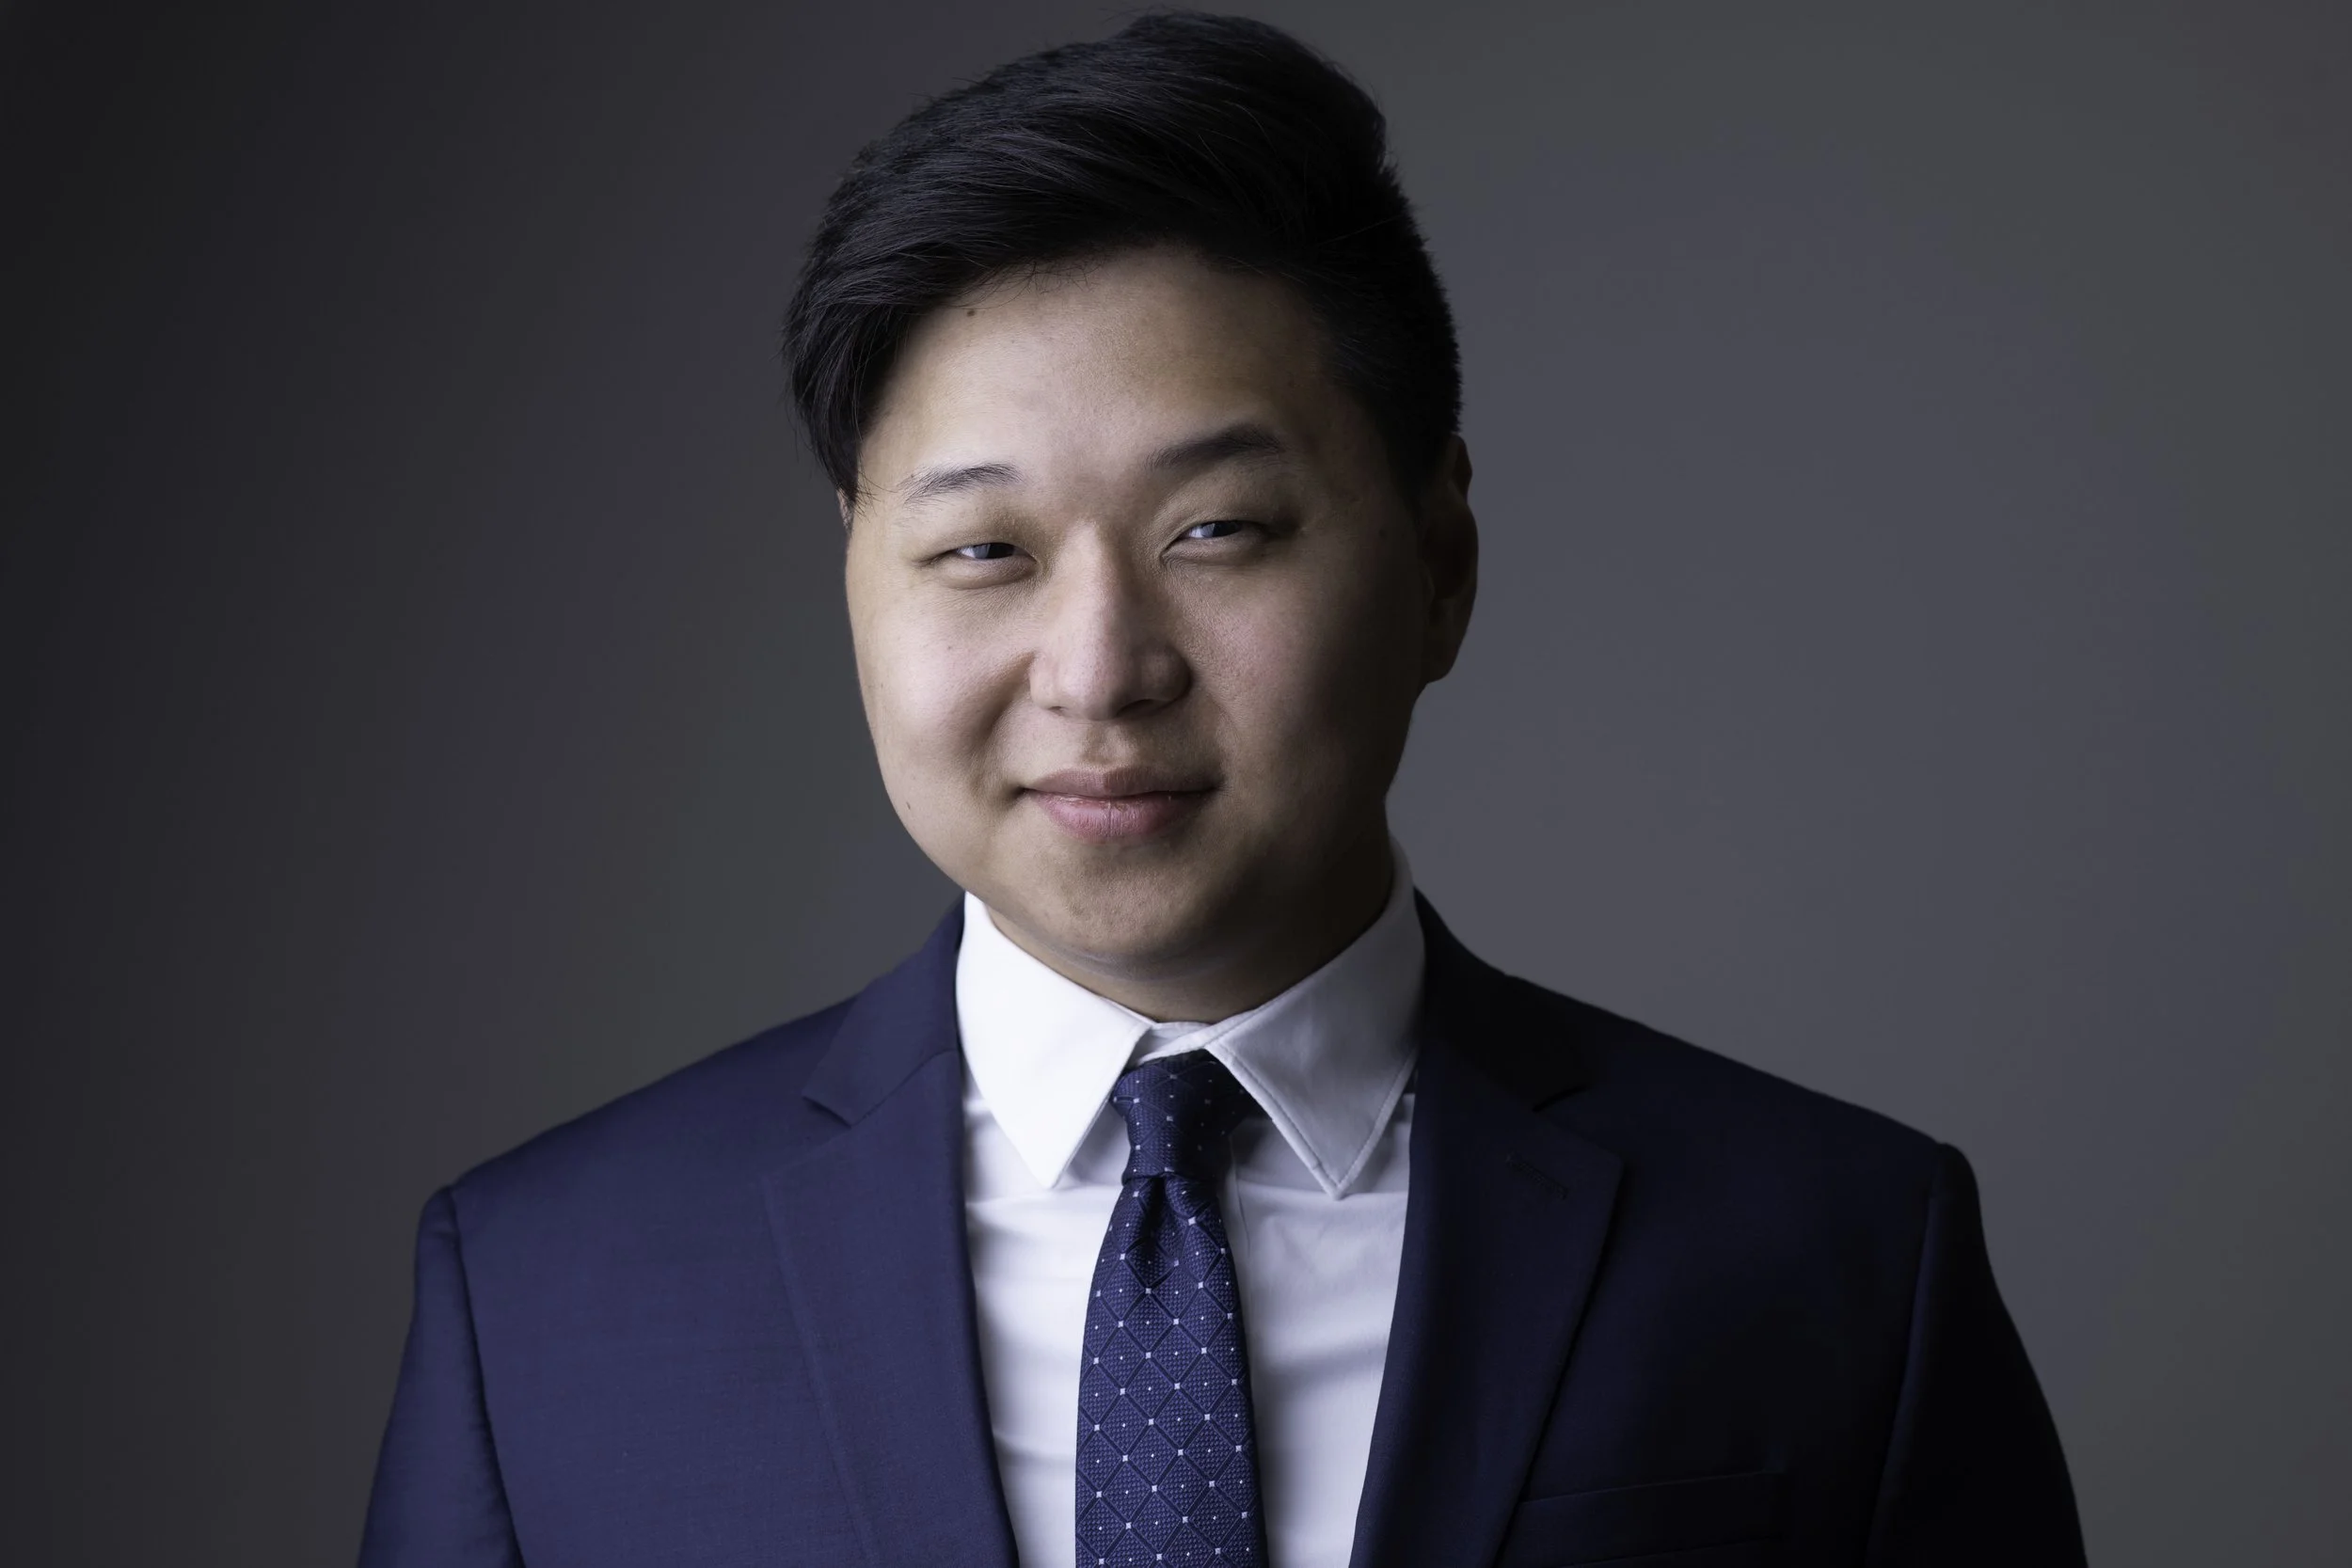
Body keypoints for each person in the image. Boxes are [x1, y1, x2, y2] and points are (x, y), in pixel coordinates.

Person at [358, 13, 2083, 1566]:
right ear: (859, 590)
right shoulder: (546, 1293)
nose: (1100, 668)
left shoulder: (1836, 1259)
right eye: (982, 549)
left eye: (1218, 533)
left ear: (1441, 562)